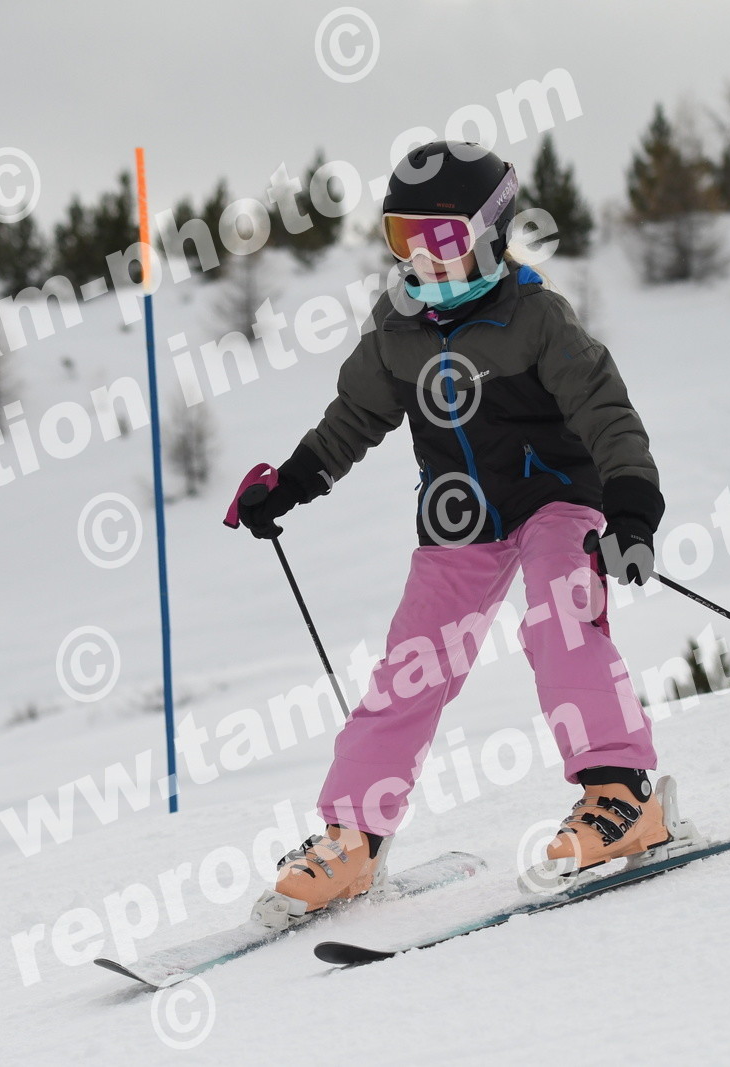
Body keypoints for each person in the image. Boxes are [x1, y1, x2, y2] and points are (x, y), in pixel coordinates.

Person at [228, 140, 675, 927]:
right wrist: (290, 483)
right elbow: (353, 419)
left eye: (443, 237)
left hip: (556, 501)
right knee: (411, 666)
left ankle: (621, 794)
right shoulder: (397, 328)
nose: (424, 257)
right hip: (458, 519)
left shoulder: (535, 318)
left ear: (490, 233)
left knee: (560, 618)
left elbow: (604, 411)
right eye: (405, 238)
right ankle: (353, 838)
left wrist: (633, 505)